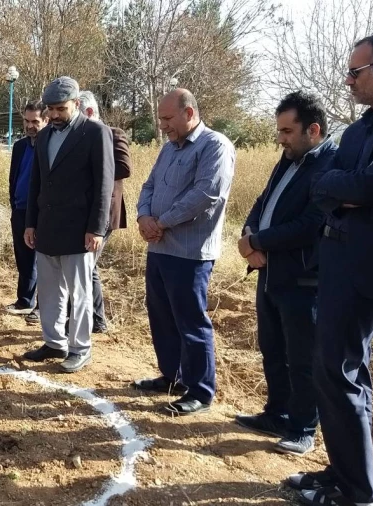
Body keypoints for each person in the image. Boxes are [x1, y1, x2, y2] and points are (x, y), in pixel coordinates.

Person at [288, 31, 373, 506]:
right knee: (334, 369)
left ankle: (358, 494)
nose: (348, 80)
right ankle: (343, 472)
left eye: (356, 72)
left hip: (371, 265)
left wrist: (348, 187)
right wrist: (347, 188)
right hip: (338, 256)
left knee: (339, 370)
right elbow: (326, 185)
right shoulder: (359, 130)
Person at [234, 91, 336, 456]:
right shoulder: (289, 158)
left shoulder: (329, 164)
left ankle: (303, 428)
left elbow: (312, 223)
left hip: (303, 279)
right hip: (270, 274)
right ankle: (275, 414)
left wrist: (259, 240)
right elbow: (263, 201)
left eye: (287, 131)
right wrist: (248, 236)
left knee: (302, 357)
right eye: (280, 130)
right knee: (273, 349)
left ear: (313, 129)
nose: (281, 138)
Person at [132, 88, 235, 416]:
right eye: (161, 119)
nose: (162, 125)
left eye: (167, 118)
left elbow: (205, 194)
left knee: (190, 320)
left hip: (189, 253)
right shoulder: (168, 149)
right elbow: (148, 186)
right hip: (160, 247)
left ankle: (200, 390)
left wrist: (161, 221)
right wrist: (143, 216)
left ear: (189, 113)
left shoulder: (215, 146)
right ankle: (172, 376)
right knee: (161, 314)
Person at [20, 76, 114, 373]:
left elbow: (104, 185)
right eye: (51, 109)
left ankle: (79, 348)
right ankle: (54, 341)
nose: (54, 115)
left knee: (80, 292)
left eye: (60, 109)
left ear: (76, 104)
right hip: (47, 227)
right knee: (49, 291)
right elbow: (37, 182)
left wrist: (97, 228)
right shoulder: (45, 136)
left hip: (79, 230)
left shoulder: (96, 133)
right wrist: (30, 223)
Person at [77, 90, 132, 332]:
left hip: (104, 215)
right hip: (83, 212)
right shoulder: (80, 138)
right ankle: (97, 319)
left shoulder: (114, 134)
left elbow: (123, 167)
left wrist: (91, 170)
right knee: (89, 266)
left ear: (89, 112)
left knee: (86, 265)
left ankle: (95, 321)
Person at [6, 101, 49, 316]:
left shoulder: (50, 145)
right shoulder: (20, 146)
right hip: (20, 209)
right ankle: (24, 300)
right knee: (23, 257)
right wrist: (13, 202)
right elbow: (14, 177)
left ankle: (42, 306)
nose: (30, 126)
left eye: (35, 121)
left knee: (43, 260)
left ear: (46, 120)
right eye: (27, 121)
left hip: (42, 213)